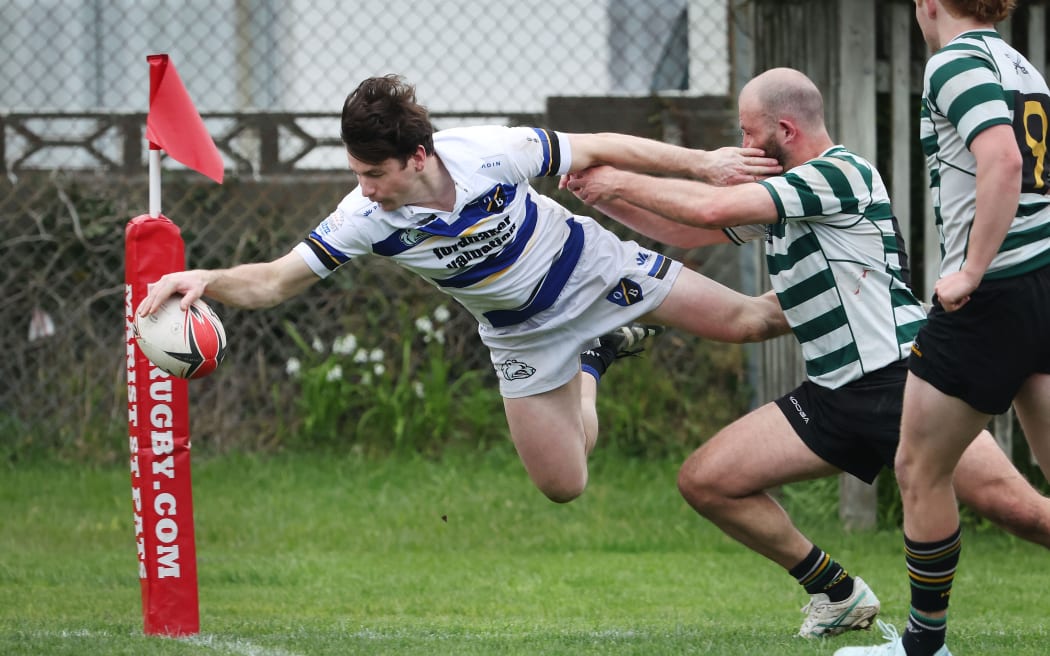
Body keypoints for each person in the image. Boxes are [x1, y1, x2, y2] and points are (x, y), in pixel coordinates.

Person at [138, 74, 789, 505]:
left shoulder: (488, 152)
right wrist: (208, 280)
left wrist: (705, 163)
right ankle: (595, 358)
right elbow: (277, 280)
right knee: (564, 484)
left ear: (418, 157)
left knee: (751, 322)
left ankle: (870, 297)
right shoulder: (365, 218)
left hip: (588, 271)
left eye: (373, 173)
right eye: (356, 173)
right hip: (518, 332)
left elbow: (594, 147)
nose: (363, 186)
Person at [565, 66, 1050, 641]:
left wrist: (616, 180)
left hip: (901, 382)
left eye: (748, 133)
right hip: (832, 396)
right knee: (707, 480)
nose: (742, 148)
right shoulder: (784, 199)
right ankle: (837, 593)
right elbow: (691, 232)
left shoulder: (836, 174)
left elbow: (708, 210)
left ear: (786, 130)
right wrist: (595, 196)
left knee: (1017, 509)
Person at [834, 2, 1050, 655]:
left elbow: (1004, 161)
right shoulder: (1021, 66)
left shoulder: (954, 61)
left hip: (992, 297)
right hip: (1043, 281)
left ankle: (925, 649)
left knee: (918, 466)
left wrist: (971, 270)